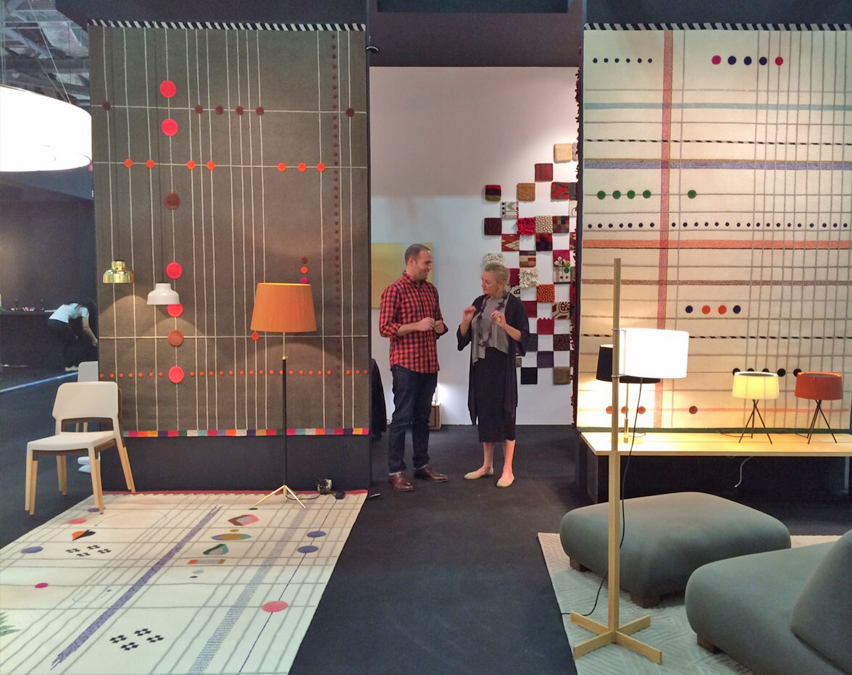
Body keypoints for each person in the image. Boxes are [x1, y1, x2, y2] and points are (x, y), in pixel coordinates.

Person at [379, 244, 449, 491]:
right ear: (411, 262)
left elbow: (439, 324)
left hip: (429, 363)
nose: (430, 267)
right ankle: (395, 470)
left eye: (430, 263)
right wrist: (415, 326)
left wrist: (440, 327)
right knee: (402, 417)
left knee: (422, 417)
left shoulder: (431, 290)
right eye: (426, 263)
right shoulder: (394, 291)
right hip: (406, 365)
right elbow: (385, 328)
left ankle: (421, 464)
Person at [457, 263, 530, 487]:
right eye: (482, 280)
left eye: (487, 281)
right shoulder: (479, 302)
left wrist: (505, 325)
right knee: (486, 414)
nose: (482, 284)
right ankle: (487, 465)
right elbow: (463, 338)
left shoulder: (514, 305)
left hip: (502, 368)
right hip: (481, 366)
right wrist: (466, 321)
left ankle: (508, 469)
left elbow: (524, 337)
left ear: (500, 283)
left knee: (506, 415)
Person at [48, 300, 98, 372]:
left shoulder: (72, 305)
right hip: (60, 322)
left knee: (65, 343)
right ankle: (69, 366)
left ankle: (62, 365)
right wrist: (94, 339)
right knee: (73, 342)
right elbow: (86, 327)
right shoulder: (85, 309)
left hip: (51, 321)